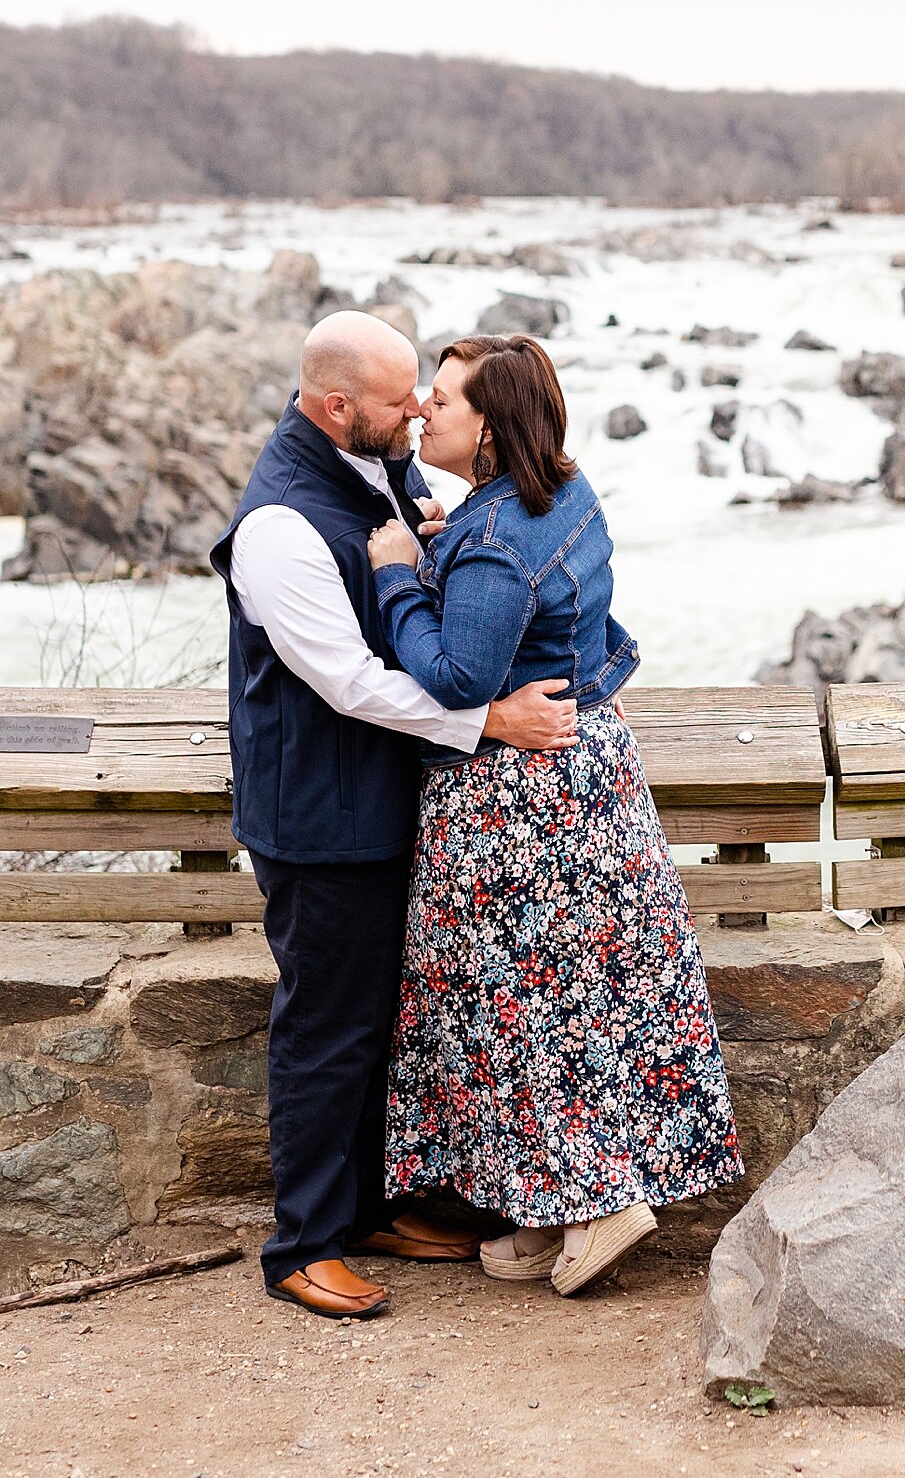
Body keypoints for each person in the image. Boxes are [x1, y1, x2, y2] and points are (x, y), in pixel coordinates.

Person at [211, 311, 580, 1322]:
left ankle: (371, 1210)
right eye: (396, 398)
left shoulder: (378, 466)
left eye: (423, 390)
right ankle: (302, 1246)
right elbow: (349, 683)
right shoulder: (280, 527)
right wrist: (488, 719)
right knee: (327, 1028)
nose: (417, 409)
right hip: (317, 816)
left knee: (381, 1022)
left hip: (377, 800)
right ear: (338, 408)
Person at [367, 333, 742, 1296]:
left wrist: (402, 574)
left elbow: (455, 674)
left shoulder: (492, 542)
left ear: (489, 430)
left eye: (442, 402)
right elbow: (586, 623)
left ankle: (599, 1202)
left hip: (518, 808)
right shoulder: (562, 493)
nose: (421, 410)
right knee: (589, 1002)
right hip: (591, 780)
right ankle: (552, 1205)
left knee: (521, 1009)